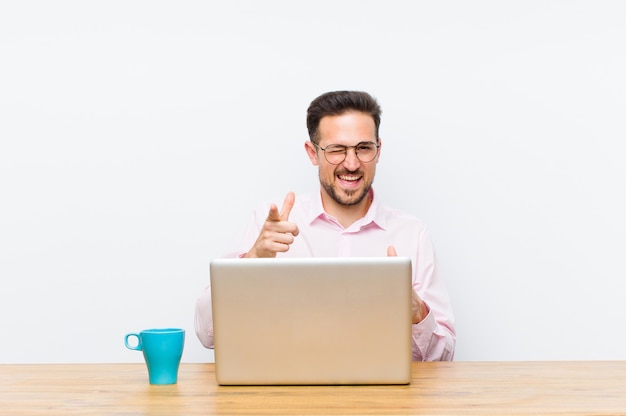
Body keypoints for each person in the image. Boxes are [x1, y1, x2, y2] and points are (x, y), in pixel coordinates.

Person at [195, 90, 455, 361]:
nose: (352, 164)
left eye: (363, 148)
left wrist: (416, 311)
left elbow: (444, 357)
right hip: (285, 398)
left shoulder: (411, 233)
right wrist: (251, 261)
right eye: (337, 150)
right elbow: (207, 333)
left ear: (378, 151)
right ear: (312, 153)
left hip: (383, 401)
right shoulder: (270, 224)